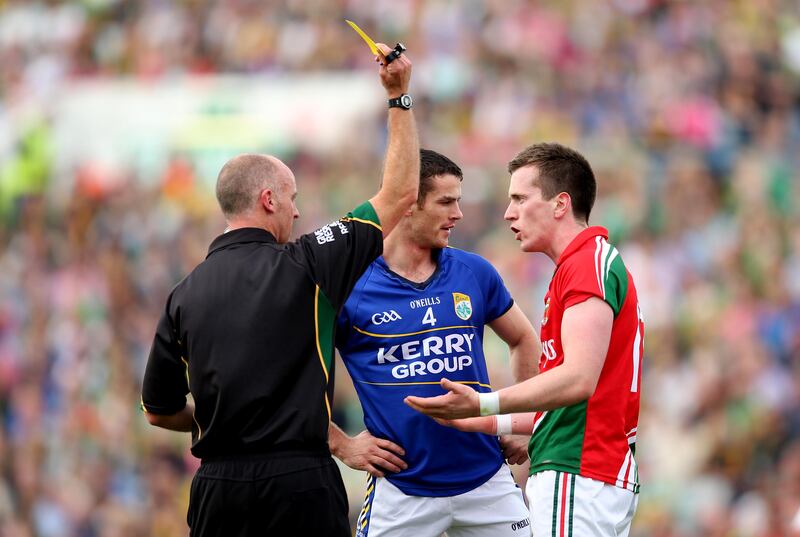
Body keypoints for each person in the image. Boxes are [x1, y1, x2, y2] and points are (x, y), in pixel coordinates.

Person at [140, 43, 419, 537]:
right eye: (291, 200)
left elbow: (160, 413)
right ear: (268, 199)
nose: (296, 212)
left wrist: (216, 419)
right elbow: (399, 195)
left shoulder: (182, 294)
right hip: (300, 484)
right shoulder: (310, 261)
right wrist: (398, 98)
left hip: (217, 489)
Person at [405, 142, 644, 537]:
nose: (508, 212)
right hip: (584, 474)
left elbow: (577, 381)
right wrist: (478, 420)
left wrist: (482, 401)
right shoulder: (578, 266)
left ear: (560, 204)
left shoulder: (586, 265)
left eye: (519, 197)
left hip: (579, 472)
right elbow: (565, 404)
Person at [329, 148, 540, 537]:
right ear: (407, 204)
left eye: (458, 201)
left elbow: (524, 339)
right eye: (446, 202)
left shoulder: (473, 271)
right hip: (401, 489)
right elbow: (293, 369)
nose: (458, 214)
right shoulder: (351, 287)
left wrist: (520, 425)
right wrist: (339, 443)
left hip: (487, 480)